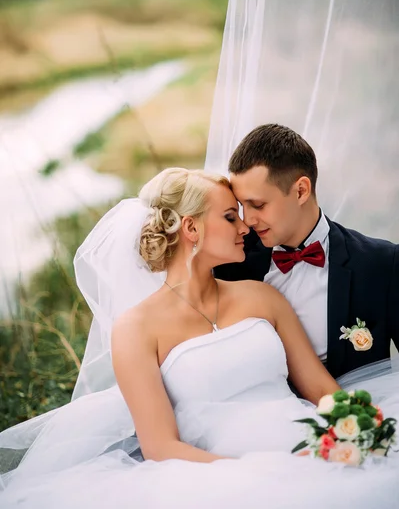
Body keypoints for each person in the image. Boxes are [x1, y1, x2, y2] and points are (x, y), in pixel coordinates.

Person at [1, 167, 399, 509]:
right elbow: (160, 446)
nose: (245, 226)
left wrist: (362, 428)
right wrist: (253, 475)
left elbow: (320, 388)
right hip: (216, 476)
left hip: (313, 447)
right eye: (230, 217)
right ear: (190, 228)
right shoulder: (136, 329)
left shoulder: (262, 296)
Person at [214, 124, 399, 379]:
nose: (248, 220)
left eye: (258, 205)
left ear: (301, 191)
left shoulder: (381, 264)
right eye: (242, 206)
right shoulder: (232, 261)